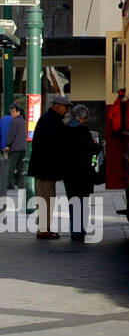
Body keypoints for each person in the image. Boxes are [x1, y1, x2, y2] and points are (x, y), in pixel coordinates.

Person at [27, 95, 70, 240]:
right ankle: (43, 230)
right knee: (46, 199)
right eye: (65, 107)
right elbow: (55, 144)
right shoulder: (52, 121)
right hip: (46, 169)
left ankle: (43, 228)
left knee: (44, 199)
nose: (66, 110)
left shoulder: (48, 119)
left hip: (43, 168)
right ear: (57, 106)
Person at [64, 105, 97, 242]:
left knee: (73, 201)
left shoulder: (65, 129)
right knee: (83, 202)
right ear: (81, 117)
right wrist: (98, 146)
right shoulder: (83, 131)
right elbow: (91, 149)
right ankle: (80, 231)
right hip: (83, 172)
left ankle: (75, 231)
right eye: (85, 118)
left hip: (69, 173)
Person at [1, 103, 27, 200]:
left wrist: (7, 145)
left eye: (13, 111)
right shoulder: (24, 121)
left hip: (15, 148)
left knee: (11, 167)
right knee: (21, 167)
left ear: (18, 112)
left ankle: (10, 184)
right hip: (23, 148)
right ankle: (21, 184)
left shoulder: (14, 122)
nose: (11, 113)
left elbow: (11, 134)